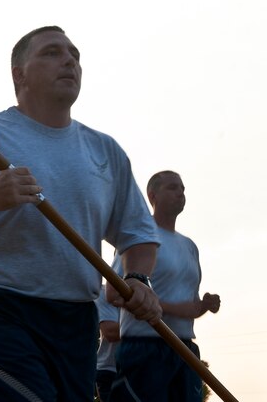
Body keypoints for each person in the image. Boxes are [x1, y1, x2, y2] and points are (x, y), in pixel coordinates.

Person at [0, 26, 162, 401]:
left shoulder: (105, 150)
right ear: (19, 74)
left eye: (75, 55)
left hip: (76, 320)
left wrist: (139, 278)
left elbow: (137, 233)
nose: (70, 60)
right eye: (52, 52)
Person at [109, 171, 220, 402]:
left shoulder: (190, 247)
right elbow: (113, 293)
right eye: (172, 187)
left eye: (183, 188)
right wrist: (164, 307)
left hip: (185, 350)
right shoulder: (138, 235)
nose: (181, 193)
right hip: (145, 348)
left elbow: (189, 308)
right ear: (152, 195)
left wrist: (204, 305)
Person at [95, 285, 120, 402]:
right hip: (111, 371)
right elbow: (110, 332)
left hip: (146, 369)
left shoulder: (156, 290)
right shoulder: (104, 292)